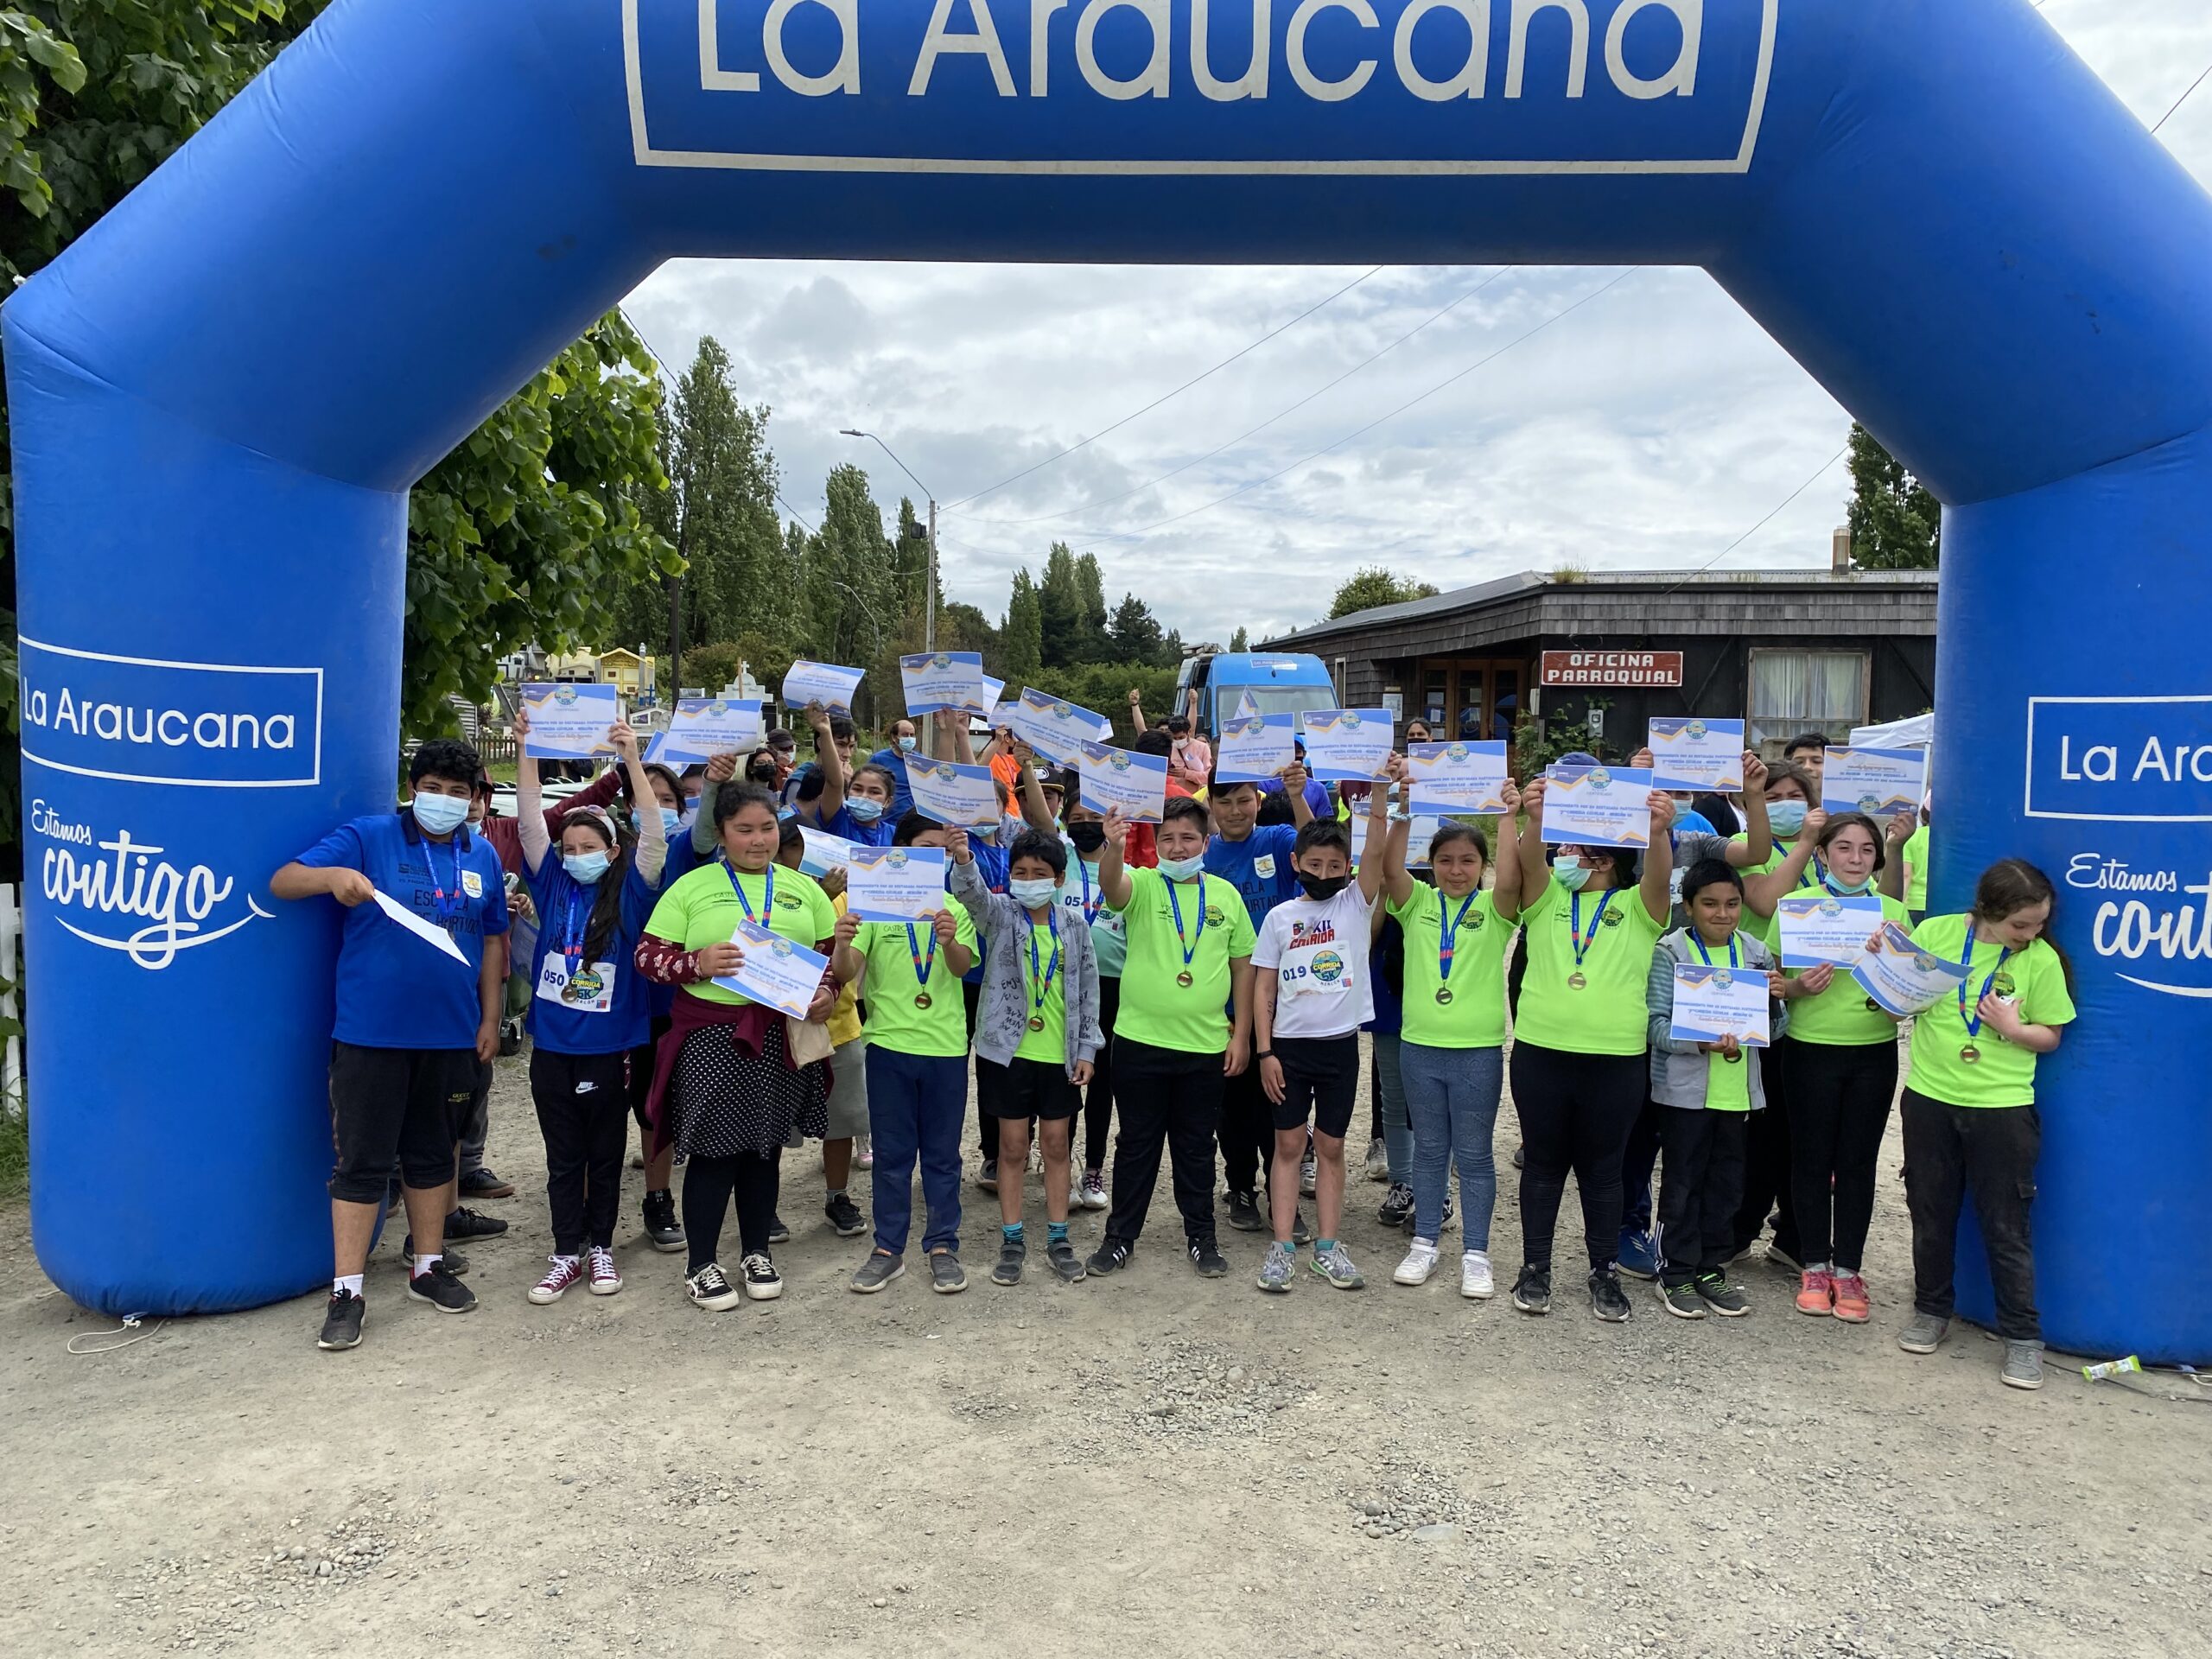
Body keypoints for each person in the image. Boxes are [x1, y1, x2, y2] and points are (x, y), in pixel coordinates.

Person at [272, 738, 511, 1351]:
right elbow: (283, 881)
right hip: (371, 1034)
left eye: (459, 793)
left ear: (475, 799)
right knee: (362, 1162)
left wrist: (490, 1017)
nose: (445, 800)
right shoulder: (368, 837)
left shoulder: (479, 853)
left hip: (452, 1034)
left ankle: (427, 1267)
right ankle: (347, 1290)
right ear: (414, 787)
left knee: (435, 1156)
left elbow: (489, 942)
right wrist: (332, 878)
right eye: (434, 787)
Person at [633, 784, 839, 1310]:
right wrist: (696, 963)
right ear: (722, 834)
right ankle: (700, 1262)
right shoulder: (691, 887)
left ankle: (755, 1251)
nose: (758, 839)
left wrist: (824, 995)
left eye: (766, 828)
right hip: (710, 1036)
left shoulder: (803, 889)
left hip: (777, 1037)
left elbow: (827, 958)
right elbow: (648, 958)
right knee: (712, 1153)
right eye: (744, 830)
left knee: (764, 1150)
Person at [1895, 861, 2076, 1391]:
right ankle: (1931, 1311)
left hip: (2002, 1107)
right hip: (1930, 1096)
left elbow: (2052, 1036)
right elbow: (1900, 998)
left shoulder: (2039, 960)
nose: (2032, 934)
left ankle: (2023, 1338)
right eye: (2022, 924)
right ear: (1987, 913)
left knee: (2006, 1223)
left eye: (2039, 923)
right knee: (1930, 1210)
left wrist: (2014, 1027)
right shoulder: (1937, 931)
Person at [512, 712, 667, 1303]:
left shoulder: (631, 887)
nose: (576, 854)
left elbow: (653, 830)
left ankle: (600, 1247)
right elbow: (529, 819)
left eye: (589, 846)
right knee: (562, 1157)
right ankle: (564, 1252)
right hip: (552, 1046)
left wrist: (630, 757)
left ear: (610, 849)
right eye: (568, 846)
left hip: (610, 1049)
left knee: (604, 1154)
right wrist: (527, 745)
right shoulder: (551, 883)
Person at [1509, 778, 1674, 1321]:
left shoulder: (1636, 906)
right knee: (1542, 1165)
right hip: (1541, 1053)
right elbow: (1530, 862)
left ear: (1601, 859)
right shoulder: (1548, 900)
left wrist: (1657, 829)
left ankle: (1603, 1271)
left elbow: (1658, 873)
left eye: (1570, 851)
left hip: (1615, 1060)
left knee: (1604, 1171)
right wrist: (1535, 816)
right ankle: (1535, 1268)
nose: (1560, 859)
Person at [1087, 798, 1255, 1280]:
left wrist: (1240, 1035)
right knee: (1136, 1143)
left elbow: (1244, 968)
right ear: (1155, 844)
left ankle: (1201, 1236)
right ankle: (1120, 1238)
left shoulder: (1225, 896)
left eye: (1187, 839)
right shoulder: (1142, 883)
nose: (1178, 848)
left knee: (1196, 1146)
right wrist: (1115, 846)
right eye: (1167, 839)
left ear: (1206, 843)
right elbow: (1111, 887)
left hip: (1204, 1046)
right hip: (1140, 1042)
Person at [1382, 767, 1523, 1299]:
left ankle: (1477, 1254)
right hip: (1420, 1047)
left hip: (1477, 1051)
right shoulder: (1416, 902)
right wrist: (1406, 808)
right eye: (1445, 860)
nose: (1456, 870)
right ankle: (1423, 1244)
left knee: (1476, 1154)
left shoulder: (1495, 910)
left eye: (1468, 861)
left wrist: (1509, 815)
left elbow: (1512, 880)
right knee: (1428, 1151)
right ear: (1432, 863)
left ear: (1482, 866)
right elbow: (1391, 869)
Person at [831, 810, 980, 1294]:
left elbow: (961, 970)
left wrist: (950, 940)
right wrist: (842, 943)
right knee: (893, 1155)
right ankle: (887, 1249)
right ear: (901, 853)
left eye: (940, 851)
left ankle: (942, 1244)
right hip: (889, 1046)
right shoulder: (874, 907)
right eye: (923, 849)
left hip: (945, 1049)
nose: (931, 858)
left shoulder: (953, 910)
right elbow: (849, 970)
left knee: (942, 1155)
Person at [948, 826, 1103, 1286]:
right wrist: (962, 858)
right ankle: (1012, 1238)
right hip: (1005, 1053)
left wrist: (1087, 1048)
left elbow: (1089, 989)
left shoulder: (1074, 925)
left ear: (1059, 879)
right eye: (1020, 871)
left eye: (1040, 872)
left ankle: (1058, 1237)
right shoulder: (1001, 914)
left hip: (1058, 1055)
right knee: (1011, 1148)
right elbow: (973, 896)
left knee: (1057, 1146)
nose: (1029, 878)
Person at [1645, 860, 1800, 1319]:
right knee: (1683, 1183)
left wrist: (1774, 1002)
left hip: (1739, 1094)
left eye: (1732, 904)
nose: (1723, 913)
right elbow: (1653, 1025)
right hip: (1685, 1093)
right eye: (1709, 904)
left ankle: (1711, 1266)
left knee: (1727, 1185)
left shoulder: (1754, 952)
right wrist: (1698, 1041)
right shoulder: (1671, 952)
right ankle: (1675, 1272)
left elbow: (1778, 1028)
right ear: (1688, 907)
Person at [1776, 812, 1912, 1323]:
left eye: (1867, 851)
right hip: (1809, 1047)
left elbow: (1907, 994)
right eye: (1844, 849)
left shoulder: (1894, 911)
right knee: (1810, 1160)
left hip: (1873, 1049)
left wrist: (1888, 972)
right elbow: (1770, 980)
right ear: (1822, 853)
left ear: (1878, 858)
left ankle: (1849, 1270)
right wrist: (1795, 988)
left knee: (1857, 1163)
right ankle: (1813, 1265)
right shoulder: (1795, 907)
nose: (1856, 860)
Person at [1251, 807, 1388, 1292]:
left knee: (1330, 1147)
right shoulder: (1279, 918)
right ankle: (1282, 1246)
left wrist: (1377, 792)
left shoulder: (1355, 903)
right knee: (1288, 1146)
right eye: (1314, 865)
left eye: (1334, 866)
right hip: (1288, 1050)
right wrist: (1265, 1053)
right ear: (1296, 863)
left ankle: (1328, 1248)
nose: (1324, 874)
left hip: (1339, 1049)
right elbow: (1263, 990)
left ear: (1347, 868)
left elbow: (1376, 846)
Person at [1206, 766, 1315, 1238]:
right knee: (1235, 1107)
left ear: (1257, 799)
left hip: (1285, 997)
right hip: (1227, 1004)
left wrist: (1295, 794)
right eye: (1225, 801)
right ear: (1210, 805)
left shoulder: (1277, 838)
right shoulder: (1202, 856)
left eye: (1244, 799)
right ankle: (1240, 1188)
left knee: (1283, 1103)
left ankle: (1282, 1194)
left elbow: (1320, 848)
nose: (1235, 810)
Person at [774, 820, 869, 1244]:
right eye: (795, 848)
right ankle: (766, 1203)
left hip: (841, 1024)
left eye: (811, 848)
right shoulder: (769, 893)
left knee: (842, 1121)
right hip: (781, 1028)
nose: (803, 857)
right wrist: (820, 896)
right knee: (775, 1121)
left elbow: (849, 962)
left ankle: (837, 1196)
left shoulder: (848, 897)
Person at [1057, 785, 1124, 1210]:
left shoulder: (1125, 874)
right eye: (1076, 818)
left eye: (1092, 819)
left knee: (1102, 1085)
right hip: (1062, 983)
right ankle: (1059, 1164)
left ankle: (1094, 1169)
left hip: (1113, 987)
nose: (1084, 826)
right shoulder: (1059, 861)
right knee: (1062, 1081)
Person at [865, 717, 922, 819]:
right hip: (885, 820)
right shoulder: (879, 759)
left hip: (912, 821)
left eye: (912, 735)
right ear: (894, 737)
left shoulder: (921, 761)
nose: (909, 738)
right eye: (905, 735)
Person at [1902, 804, 1932, 925]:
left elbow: (1906, 875)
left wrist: (1899, 904)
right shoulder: (1949, 839)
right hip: (1942, 903)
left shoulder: (1912, 838)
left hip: (1915, 903)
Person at [1167, 715, 1211, 794]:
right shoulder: (1167, 747)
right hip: (1170, 797)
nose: (1178, 741)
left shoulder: (1202, 747)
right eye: (1174, 738)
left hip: (1193, 797)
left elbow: (1209, 776)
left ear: (1189, 732)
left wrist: (1186, 774)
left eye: (1181, 737)